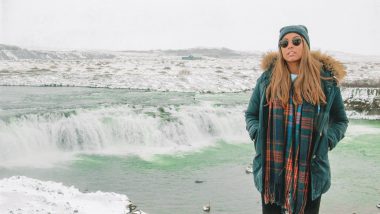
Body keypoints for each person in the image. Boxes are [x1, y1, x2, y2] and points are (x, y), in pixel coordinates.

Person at [245, 25, 348, 214]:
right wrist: (257, 133)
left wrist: (327, 141)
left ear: (306, 45)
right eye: (284, 43)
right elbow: (251, 114)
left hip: (309, 173)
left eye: (296, 41)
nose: (289, 46)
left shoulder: (325, 82)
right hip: (272, 171)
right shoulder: (267, 80)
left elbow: (340, 120)